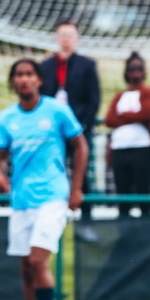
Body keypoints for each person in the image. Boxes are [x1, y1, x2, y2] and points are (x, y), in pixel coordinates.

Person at [0, 59, 86, 300]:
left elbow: (80, 146)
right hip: (21, 200)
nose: (24, 80)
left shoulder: (56, 110)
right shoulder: (7, 118)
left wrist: (76, 188)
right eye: (19, 75)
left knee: (37, 260)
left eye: (29, 74)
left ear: (39, 80)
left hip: (53, 195)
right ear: (13, 82)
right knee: (25, 268)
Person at [39, 19, 100, 230]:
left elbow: (94, 100)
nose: (66, 40)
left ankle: (86, 221)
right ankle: (50, 217)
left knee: (81, 174)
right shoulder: (46, 66)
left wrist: (82, 126)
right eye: (62, 35)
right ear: (57, 38)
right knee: (50, 171)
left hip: (77, 128)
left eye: (70, 35)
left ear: (76, 39)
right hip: (52, 130)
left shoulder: (87, 65)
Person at [103, 52, 150, 217]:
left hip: (142, 150)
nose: (135, 71)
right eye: (131, 68)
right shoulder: (120, 95)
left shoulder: (149, 92)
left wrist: (123, 116)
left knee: (144, 194)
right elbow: (109, 119)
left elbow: (147, 113)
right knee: (123, 196)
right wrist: (133, 117)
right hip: (119, 150)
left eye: (139, 68)